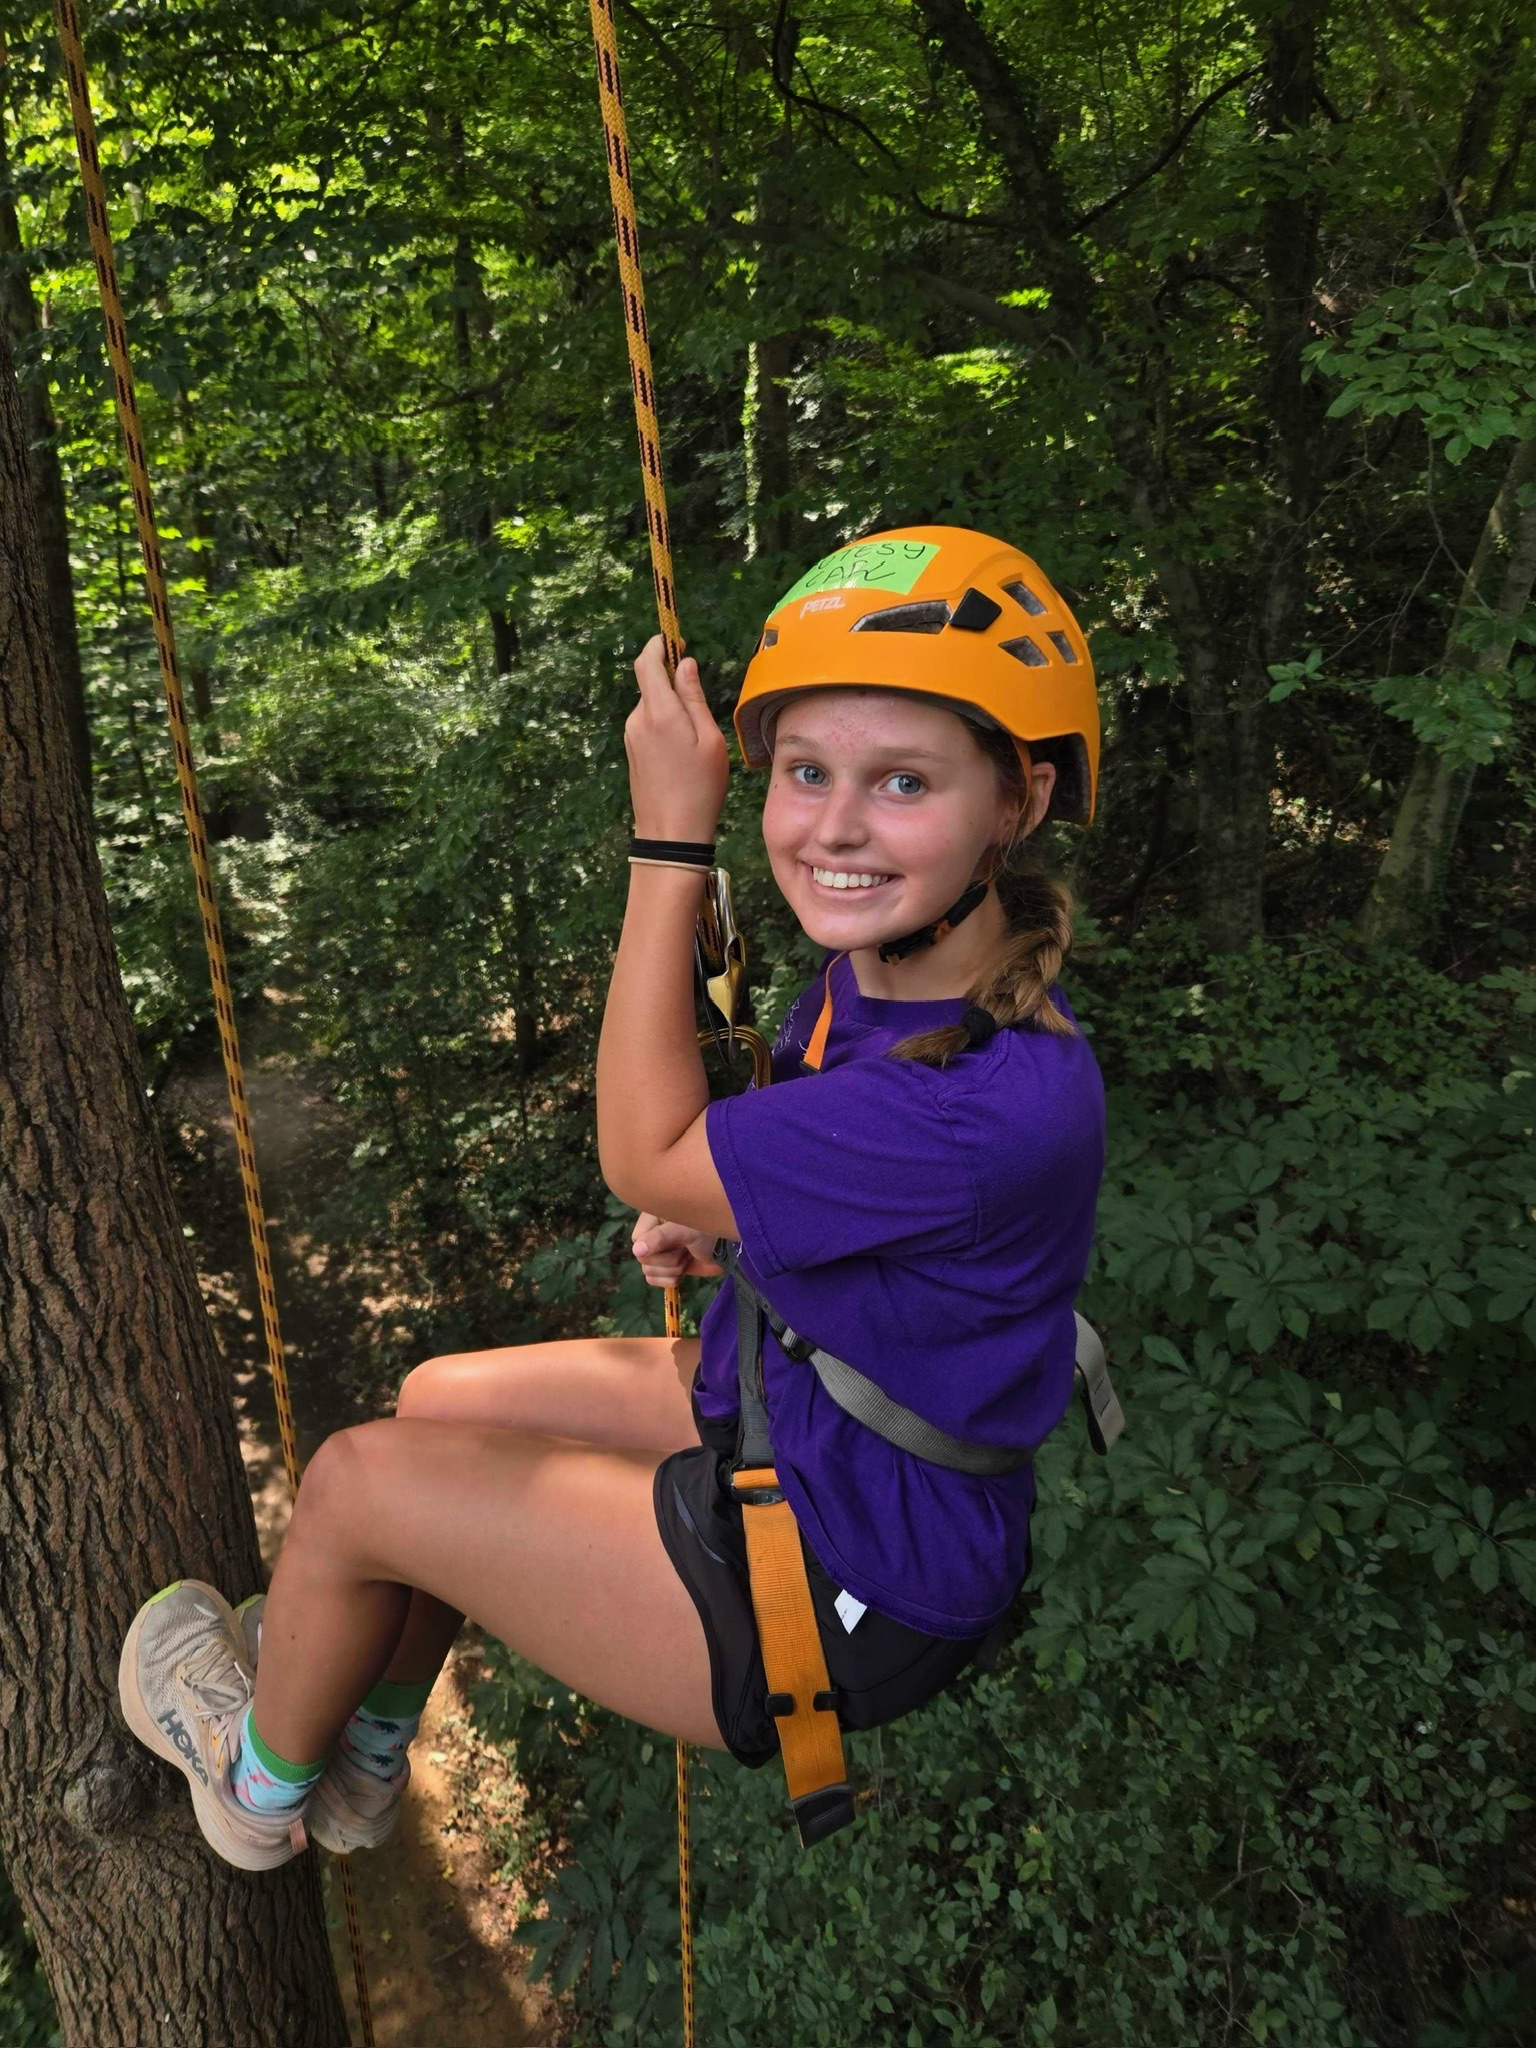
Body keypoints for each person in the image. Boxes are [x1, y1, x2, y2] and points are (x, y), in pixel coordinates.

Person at [118, 525, 1106, 1870]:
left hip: (849, 1575)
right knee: (434, 1403)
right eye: (807, 771)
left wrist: (670, 840)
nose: (835, 825)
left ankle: (254, 1794)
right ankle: (358, 1767)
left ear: (1019, 800)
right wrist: (727, 1207)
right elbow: (810, 1180)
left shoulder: (984, 1101)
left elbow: (648, 1148)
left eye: (904, 782)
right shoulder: (888, 981)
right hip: (809, 1407)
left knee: (353, 1488)